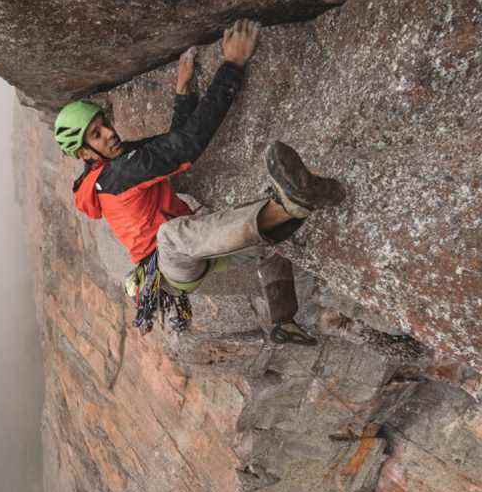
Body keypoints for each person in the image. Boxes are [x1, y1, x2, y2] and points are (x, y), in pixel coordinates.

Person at [54, 19, 344, 342]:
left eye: (104, 123)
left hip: (193, 259)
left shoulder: (117, 164)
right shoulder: (117, 175)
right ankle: (289, 204)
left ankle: (283, 320)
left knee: (266, 244)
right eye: (96, 134)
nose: (110, 132)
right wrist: (232, 66)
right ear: (84, 154)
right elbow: (189, 147)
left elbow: (172, 147)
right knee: (171, 235)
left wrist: (183, 93)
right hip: (172, 264)